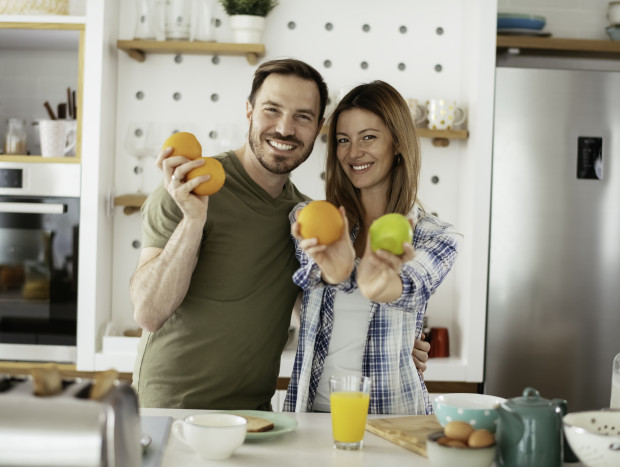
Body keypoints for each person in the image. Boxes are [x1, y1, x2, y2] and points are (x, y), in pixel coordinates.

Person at [130, 59, 429, 410]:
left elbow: (322, 312)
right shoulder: (188, 190)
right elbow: (148, 312)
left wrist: (393, 339)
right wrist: (193, 222)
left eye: (302, 116)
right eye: (272, 110)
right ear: (249, 112)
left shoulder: (304, 218)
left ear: (318, 128)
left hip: (256, 414)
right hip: (170, 407)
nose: (285, 128)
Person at [283, 81, 462, 415]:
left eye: (368, 137)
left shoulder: (436, 237)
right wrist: (334, 271)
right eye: (343, 140)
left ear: (397, 143)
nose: (353, 153)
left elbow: (406, 288)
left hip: (394, 417)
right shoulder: (312, 221)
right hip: (312, 414)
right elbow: (308, 299)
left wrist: (373, 281)